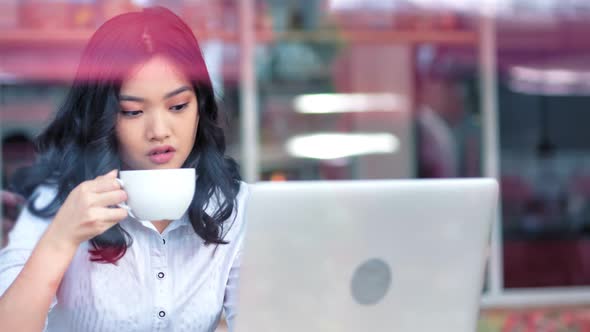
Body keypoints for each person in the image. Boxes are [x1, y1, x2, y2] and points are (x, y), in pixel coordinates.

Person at [0, 6, 247, 332]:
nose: (159, 130)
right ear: (104, 120)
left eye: (177, 106)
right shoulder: (57, 202)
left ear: (200, 107)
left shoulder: (233, 205)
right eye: (132, 111)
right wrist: (61, 239)